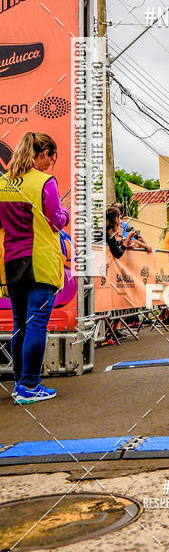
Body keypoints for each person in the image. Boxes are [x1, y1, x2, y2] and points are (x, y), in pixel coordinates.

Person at [0, 132, 69, 404]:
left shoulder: (3, 183)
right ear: (43, 153)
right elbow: (56, 221)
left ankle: (20, 383)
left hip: (12, 262)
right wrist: (65, 211)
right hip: (39, 260)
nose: (50, 164)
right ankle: (30, 385)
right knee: (37, 323)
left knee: (20, 324)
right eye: (51, 158)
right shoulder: (45, 182)